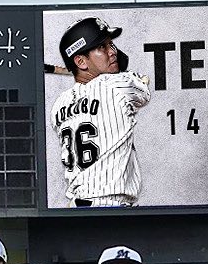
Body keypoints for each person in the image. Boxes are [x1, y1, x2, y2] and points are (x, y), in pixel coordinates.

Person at [49, 15, 151, 208]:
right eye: (101, 47)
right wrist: (131, 76)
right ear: (81, 61)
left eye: (110, 44)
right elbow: (143, 90)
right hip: (110, 206)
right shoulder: (115, 85)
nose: (112, 52)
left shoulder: (59, 105)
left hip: (76, 209)